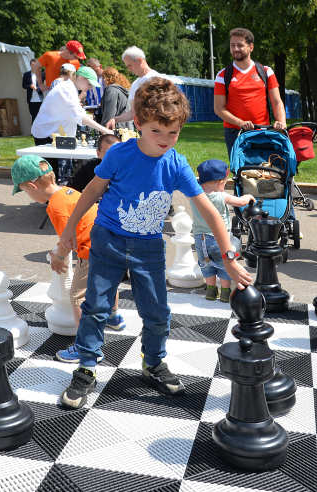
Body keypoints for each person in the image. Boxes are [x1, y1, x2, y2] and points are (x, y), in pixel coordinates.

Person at [55, 78, 252, 409]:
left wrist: (230, 256)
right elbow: (91, 191)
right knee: (96, 307)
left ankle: (153, 362)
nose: (165, 140)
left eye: (172, 133)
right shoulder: (119, 154)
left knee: (158, 312)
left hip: (148, 247)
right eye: (156, 131)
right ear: (139, 123)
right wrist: (66, 235)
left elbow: (209, 209)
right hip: (109, 239)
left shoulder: (176, 163)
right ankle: (87, 367)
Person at [10, 154, 126, 363]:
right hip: (111, 244)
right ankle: (113, 317)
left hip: (92, 252)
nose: (27, 195)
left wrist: (59, 258)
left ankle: (87, 348)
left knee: (78, 298)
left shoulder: (55, 206)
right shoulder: (69, 192)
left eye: (25, 190)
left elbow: (68, 241)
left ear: (32, 186)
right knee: (109, 284)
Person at [214, 28, 287, 157]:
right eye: (232, 45)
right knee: (240, 171)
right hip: (234, 131)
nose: (235, 49)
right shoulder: (223, 75)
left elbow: (276, 101)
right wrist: (240, 123)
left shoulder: (266, 71)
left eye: (240, 45)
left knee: (265, 169)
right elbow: (219, 108)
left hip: (263, 131)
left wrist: (281, 121)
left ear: (251, 47)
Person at [31, 66, 113, 178]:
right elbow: (80, 116)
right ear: (81, 78)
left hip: (53, 132)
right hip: (46, 133)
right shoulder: (66, 90)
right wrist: (105, 130)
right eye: (89, 84)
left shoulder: (70, 88)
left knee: (54, 174)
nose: (91, 87)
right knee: (48, 175)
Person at [190, 159, 255, 302]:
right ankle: (225, 292)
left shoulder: (195, 196)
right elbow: (242, 202)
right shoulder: (221, 196)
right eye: (225, 183)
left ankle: (211, 291)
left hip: (200, 239)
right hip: (218, 238)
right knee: (224, 266)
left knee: (206, 265)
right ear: (220, 183)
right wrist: (248, 196)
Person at [105, 46, 166, 130]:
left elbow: (163, 108)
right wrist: (115, 119)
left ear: (139, 60)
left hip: (158, 129)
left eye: (130, 65)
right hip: (144, 129)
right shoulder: (135, 83)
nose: (129, 69)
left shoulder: (157, 79)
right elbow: (133, 112)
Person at [22, 59, 45, 123]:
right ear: (30, 65)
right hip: (31, 99)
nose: (34, 66)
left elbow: (44, 85)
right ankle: (34, 131)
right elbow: (23, 85)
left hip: (40, 99)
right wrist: (30, 86)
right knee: (33, 116)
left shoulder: (41, 74)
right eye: (32, 64)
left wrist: (37, 88)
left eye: (35, 64)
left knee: (41, 116)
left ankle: (41, 131)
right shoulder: (26, 75)